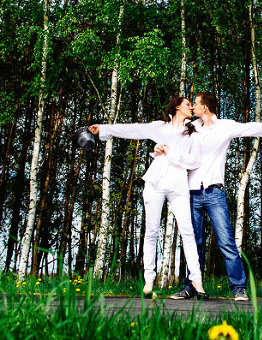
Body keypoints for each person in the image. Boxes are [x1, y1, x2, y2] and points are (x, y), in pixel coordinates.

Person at [168, 91, 262, 301]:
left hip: (214, 193)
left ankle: (239, 288)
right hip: (192, 193)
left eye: (196, 103)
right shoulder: (191, 128)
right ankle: (190, 287)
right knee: (194, 243)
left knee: (226, 242)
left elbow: (257, 128)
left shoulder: (225, 127)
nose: (193, 107)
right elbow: (171, 133)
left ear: (205, 107)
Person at [88, 97, 208, 300]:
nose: (191, 107)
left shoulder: (192, 133)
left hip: (178, 186)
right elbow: (133, 129)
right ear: (177, 107)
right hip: (155, 183)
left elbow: (194, 161)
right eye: (188, 104)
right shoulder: (159, 128)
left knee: (188, 232)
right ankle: (149, 281)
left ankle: (197, 282)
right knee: (151, 231)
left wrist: (169, 153)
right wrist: (103, 129)